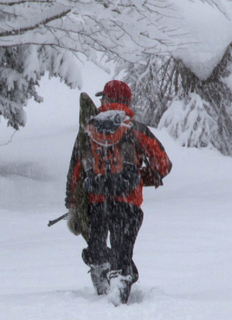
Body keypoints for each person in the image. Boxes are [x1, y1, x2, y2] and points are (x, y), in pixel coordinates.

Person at [65, 80, 172, 305]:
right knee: (123, 250)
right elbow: (164, 164)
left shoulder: (88, 129)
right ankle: (120, 284)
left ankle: (101, 272)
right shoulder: (135, 128)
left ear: (106, 100)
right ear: (126, 101)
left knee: (98, 246)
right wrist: (141, 178)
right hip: (128, 203)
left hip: (97, 203)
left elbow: (76, 171)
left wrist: (73, 204)